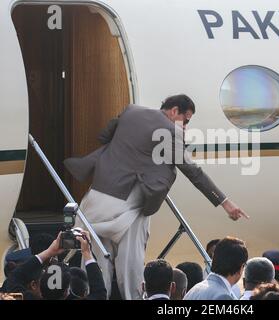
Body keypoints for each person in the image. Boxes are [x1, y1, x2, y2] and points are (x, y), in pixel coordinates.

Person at [64, 95, 249, 300]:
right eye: (186, 121)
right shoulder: (171, 131)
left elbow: (105, 135)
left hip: (97, 197)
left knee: (95, 262)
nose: (186, 127)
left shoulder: (131, 111)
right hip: (131, 203)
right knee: (130, 267)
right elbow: (193, 171)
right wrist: (225, 202)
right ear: (174, 111)